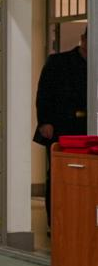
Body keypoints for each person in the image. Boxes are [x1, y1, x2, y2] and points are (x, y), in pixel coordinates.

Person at [35, 28, 87, 224]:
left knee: (88, 173)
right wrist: (44, 122)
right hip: (61, 126)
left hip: (89, 126)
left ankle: (83, 220)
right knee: (59, 173)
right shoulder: (58, 62)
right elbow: (44, 93)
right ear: (83, 39)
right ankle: (56, 222)